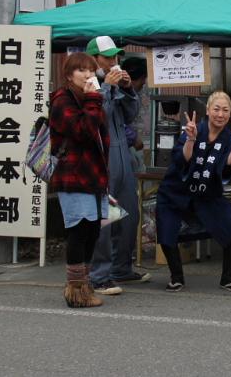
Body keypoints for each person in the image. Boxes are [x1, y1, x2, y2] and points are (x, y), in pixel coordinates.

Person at [155, 91, 231, 292]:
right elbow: (181, 160)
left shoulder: (230, 139)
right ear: (208, 110)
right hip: (176, 192)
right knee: (166, 234)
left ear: (230, 113)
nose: (220, 114)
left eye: (225, 110)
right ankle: (176, 277)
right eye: (216, 109)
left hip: (206, 195)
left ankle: (229, 278)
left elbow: (227, 170)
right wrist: (191, 140)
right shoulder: (194, 130)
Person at [86, 36, 149, 295]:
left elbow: (129, 115)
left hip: (123, 154)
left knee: (129, 214)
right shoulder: (87, 85)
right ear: (94, 60)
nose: (114, 62)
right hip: (102, 158)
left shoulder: (114, 85)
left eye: (116, 57)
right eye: (108, 58)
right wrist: (108, 88)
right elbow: (95, 116)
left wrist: (127, 89)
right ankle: (99, 275)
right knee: (104, 219)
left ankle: (121, 267)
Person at [49, 52, 109, 308]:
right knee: (78, 230)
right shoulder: (63, 100)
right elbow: (84, 130)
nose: (87, 75)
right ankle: (75, 291)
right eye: (81, 70)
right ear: (68, 75)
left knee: (93, 231)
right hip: (73, 174)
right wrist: (95, 99)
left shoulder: (87, 99)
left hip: (93, 174)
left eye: (90, 70)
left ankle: (85, 285)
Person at [121, 57, 148, 172]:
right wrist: (133, 137)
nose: (144, 82)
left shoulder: (133, 94)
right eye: (143, 78)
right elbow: (116, 121)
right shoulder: (116, 93)